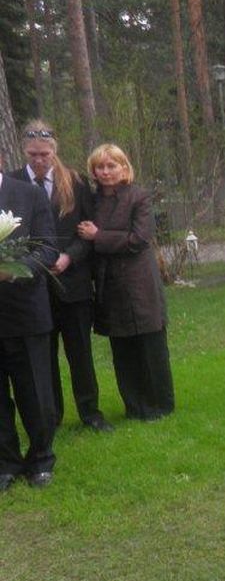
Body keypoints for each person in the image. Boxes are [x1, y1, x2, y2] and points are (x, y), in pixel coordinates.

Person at [16, 121, 110, 432]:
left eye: (44, 154)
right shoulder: (14, 184)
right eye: (33, 154)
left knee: (80, 353)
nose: (39, 160)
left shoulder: (75, 182)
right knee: (44, 358)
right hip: (33, 288)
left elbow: (88, 232)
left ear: (54, 151)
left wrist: (69, 256)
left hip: (73, 285)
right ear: (24, 151)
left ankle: (90, 412)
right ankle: (51, 416)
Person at [77, 143, 174, 421]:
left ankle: (160, 405)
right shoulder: (92, 201)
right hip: (109, 283)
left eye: (111, 165)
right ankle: (133, 406)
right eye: (100, 167)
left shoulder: (138, 197)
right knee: (122, 348)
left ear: (124, 167)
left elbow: (139, 239)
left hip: (139, 281)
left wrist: (99, 236)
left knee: (150, 345)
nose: (106, 172)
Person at [0, 161, 58, 490]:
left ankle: (40, 459)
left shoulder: (30, 195)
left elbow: (47, 248)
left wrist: (12, 271)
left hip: (24, 311)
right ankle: (6, 463)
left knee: (35, 392)